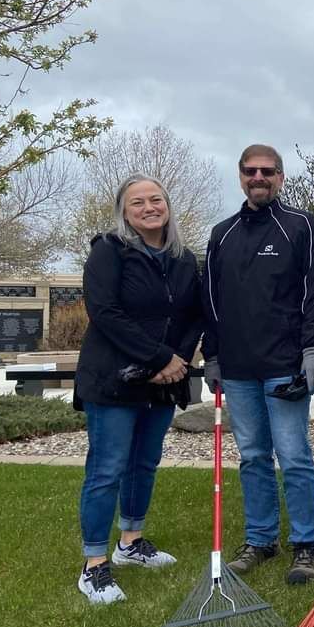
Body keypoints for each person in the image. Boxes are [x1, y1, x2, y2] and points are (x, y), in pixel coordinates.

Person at [202, 144, 314, 585]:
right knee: (253, 457)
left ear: (280, 177)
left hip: (286, 365)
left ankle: (306, 544)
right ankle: (260, 539)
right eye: (250, 171)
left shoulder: (302, 227)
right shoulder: (221, 234)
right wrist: (213, 355)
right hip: (239, 369)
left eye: (267, 171)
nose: (258, 177)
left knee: (294, 455)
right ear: (240, 176)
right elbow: (210, 302)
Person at [74, 175, 203, 604]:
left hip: (162, 383)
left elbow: (194, 316)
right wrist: (157, 358)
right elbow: (105, 312)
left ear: (167, 204)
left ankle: (130, 543)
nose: (149, 207)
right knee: (107, 468)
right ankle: (94, 565)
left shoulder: (184, 259)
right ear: (124, 212)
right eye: (137, 202)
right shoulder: (110, 251)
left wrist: (176, 362)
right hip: (113, 380)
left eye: (156, 199)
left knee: (144, 463)